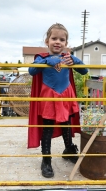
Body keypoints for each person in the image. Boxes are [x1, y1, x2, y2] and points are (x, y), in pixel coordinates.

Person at [28, 23, 88, 178]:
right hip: (49, 98)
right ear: (47, 40)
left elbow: (84, 71)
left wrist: (75, 60)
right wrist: (47, 62)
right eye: (54, 38)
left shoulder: (68, 58)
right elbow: (32, 70)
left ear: (66, 44)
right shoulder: (42, 57)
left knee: (66, 125)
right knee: (47, 128)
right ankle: (46, 160)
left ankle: (68, 150)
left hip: (66, 97)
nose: (57, 42)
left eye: (62, 39)